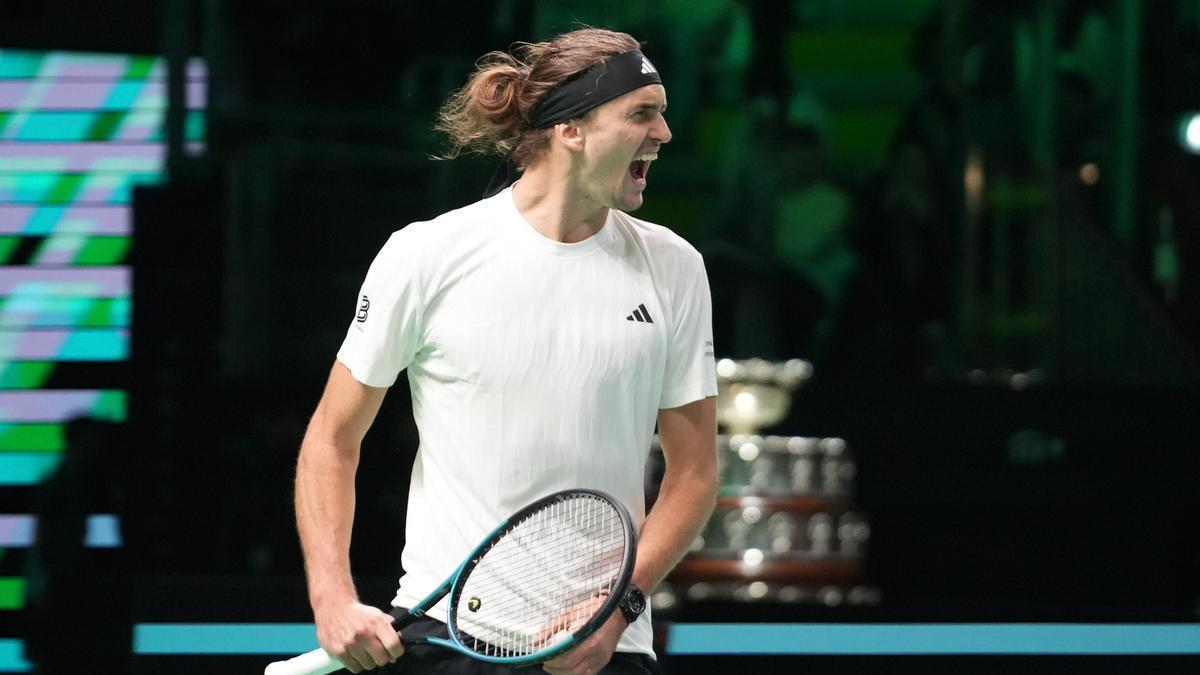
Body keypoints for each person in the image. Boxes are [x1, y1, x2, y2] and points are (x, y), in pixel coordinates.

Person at [292, 28, 718, 675]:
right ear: (572, 129)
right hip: (446, 639)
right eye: (642, 113)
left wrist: (618, 606)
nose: (663, 133)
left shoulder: (675, 267)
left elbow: (694, 472)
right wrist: (331, 599)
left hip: (602, 650)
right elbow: (331, 437)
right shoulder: (425, 255)